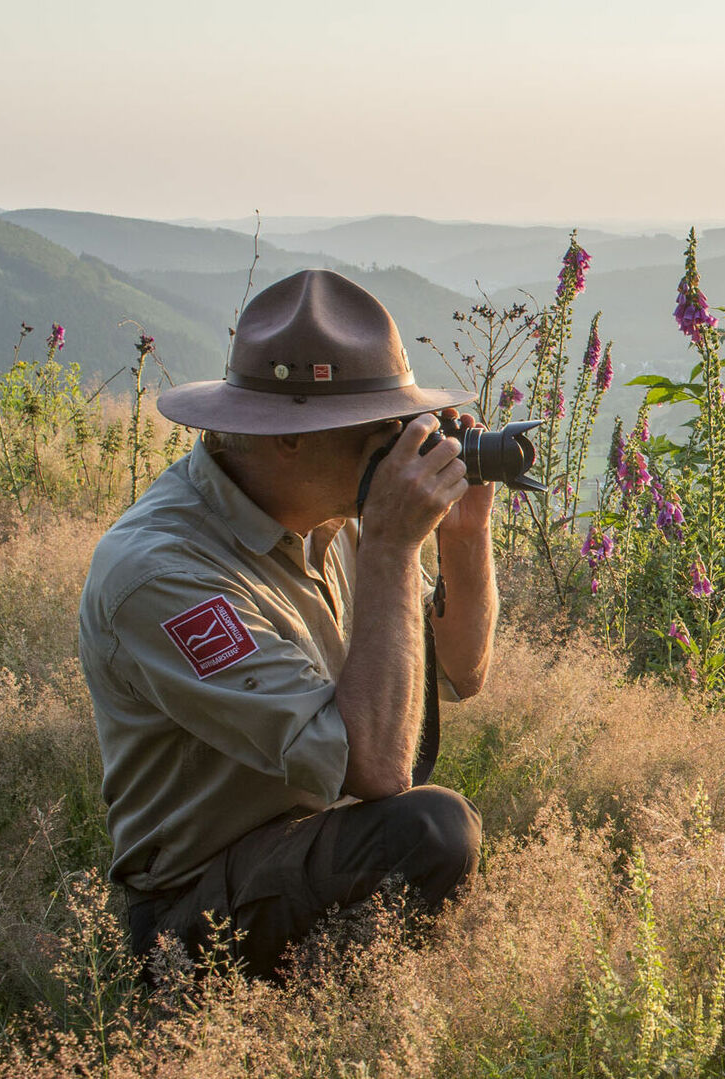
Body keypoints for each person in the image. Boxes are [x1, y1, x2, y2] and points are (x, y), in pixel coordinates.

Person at [78, 269, 494, 980]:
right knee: (431, 828)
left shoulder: (335, 513)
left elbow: (461, 671)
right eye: (383, 428)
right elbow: (378, 767)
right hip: (190, 908)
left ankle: (347, 1009)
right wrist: (395, 546)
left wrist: (462, 534)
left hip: (306, 835)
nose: (403, 446)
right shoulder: (163, 574)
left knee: (431, 829)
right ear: (292, 438)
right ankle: (267, 1023)